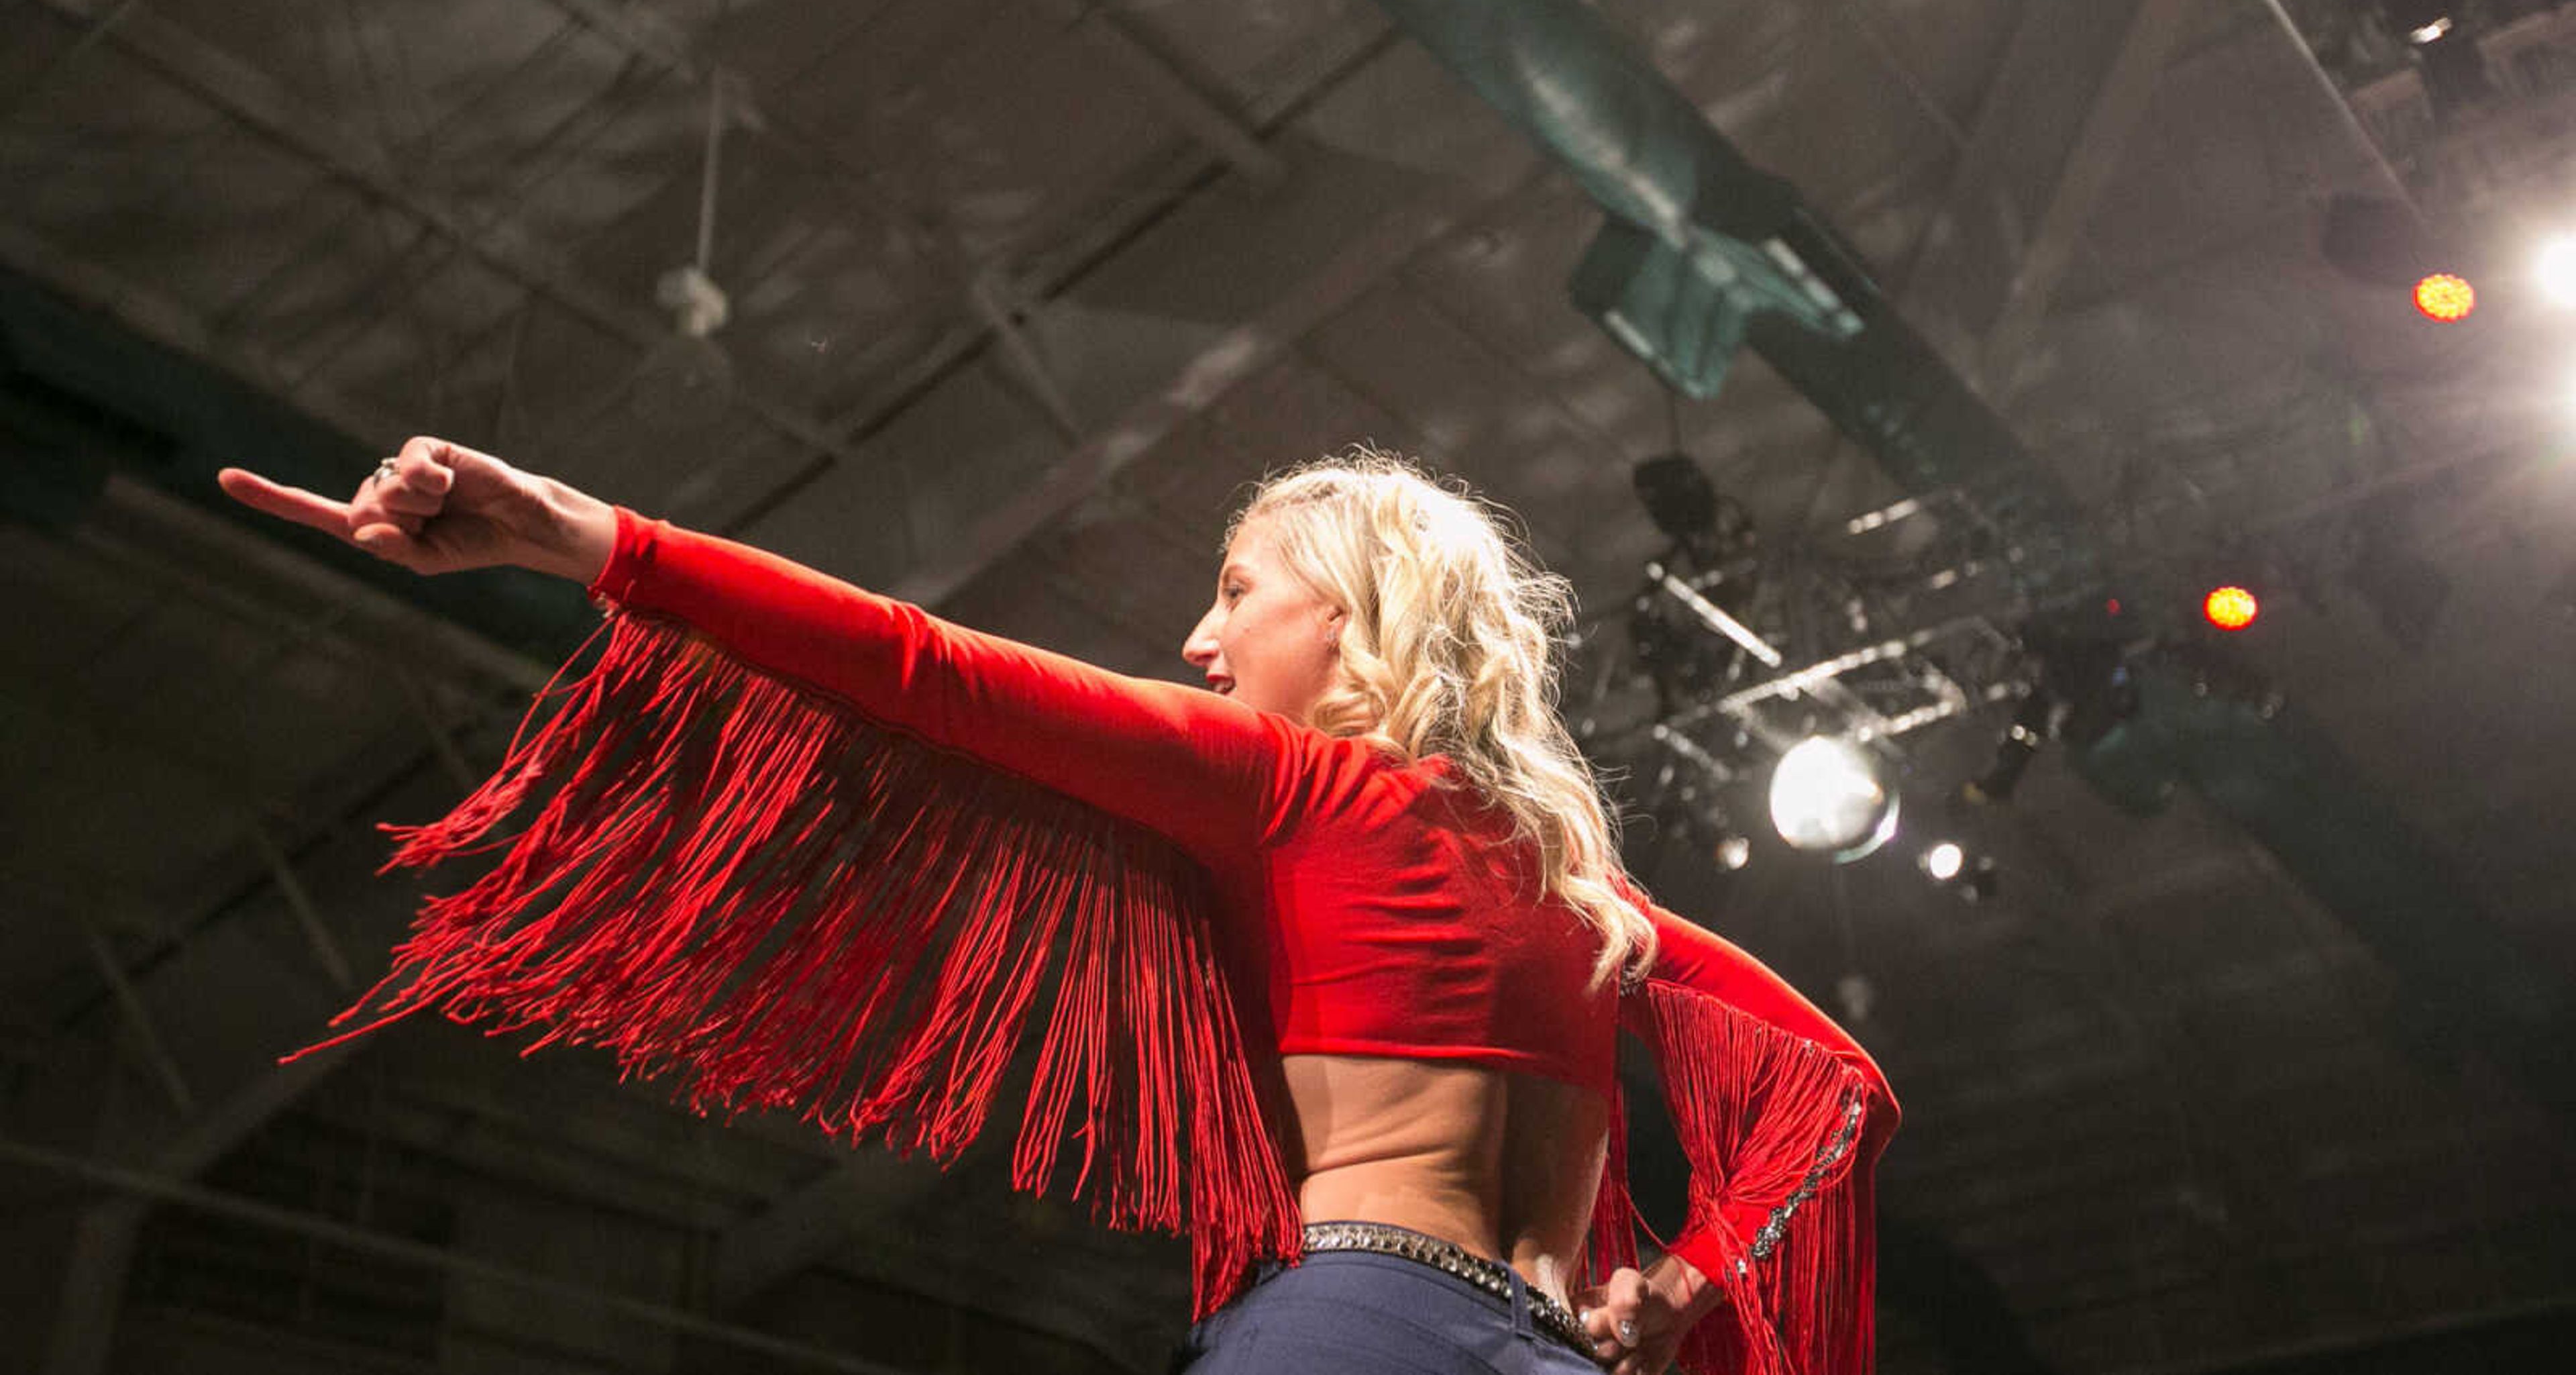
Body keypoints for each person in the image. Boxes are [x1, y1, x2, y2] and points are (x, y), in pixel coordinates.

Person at [219, 438, 1897, 1375]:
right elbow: (1842, 1093)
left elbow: (917, 664)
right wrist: (1681, 1280)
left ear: (1360, 611)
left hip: (1361, 1331)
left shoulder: (1300, 784)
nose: (1200, 637)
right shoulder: (1590, 890)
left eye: (1236, 589)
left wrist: (580, 532)